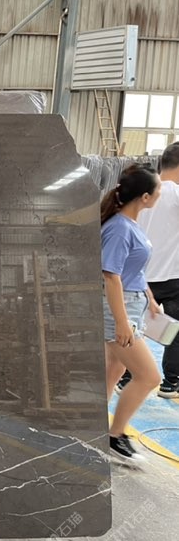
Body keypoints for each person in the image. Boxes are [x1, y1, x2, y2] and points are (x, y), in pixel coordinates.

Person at [100, 163, 162, 465]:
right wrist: (122, 322)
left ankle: (94, 428)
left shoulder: (130, 225)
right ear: (146, 197)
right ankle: (115, 436)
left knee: (114, 370)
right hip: (119, 308)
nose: (161, 193)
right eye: (158, 189)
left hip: (132, 303)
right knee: (149, 376)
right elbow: (111, 276)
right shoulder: (119, 228)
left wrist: (149, 297)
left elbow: (130, 269)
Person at [137, 143, 179, 399]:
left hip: (139, 277)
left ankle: (126, 377)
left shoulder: (142, 191)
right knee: (176, 330)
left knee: (133, 327)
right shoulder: (176, 193)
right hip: (172, 277)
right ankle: (171, 382)